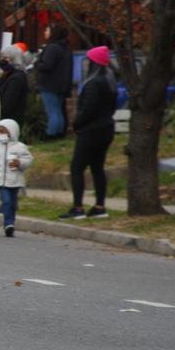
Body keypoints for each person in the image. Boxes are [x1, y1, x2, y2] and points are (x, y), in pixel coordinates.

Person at [60, 46, 116, 220]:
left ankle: (78, 207)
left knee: (77, 167)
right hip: (107, 128)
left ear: (94, 64)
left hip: (91, 130)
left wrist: (76, 123)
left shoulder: (93, 83)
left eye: (89, 62)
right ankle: (100, 206)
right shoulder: (109, 81)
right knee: (97, 167)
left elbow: (88, 110)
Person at [0, 119, 33, 237]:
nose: (1, 134)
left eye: (3, 131)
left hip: (15, 181)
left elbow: (28, 159)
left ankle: (11, 221)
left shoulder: (20, 147)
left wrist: (19, 163)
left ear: (12, 132)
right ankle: (8, 223)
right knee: (7, 201)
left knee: (13, 204)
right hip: (2, 182)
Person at [33, 24, 73, 139]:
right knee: (58, 110)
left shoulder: (52, 47)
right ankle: (59, 133)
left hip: (49, 84)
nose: (45, 32)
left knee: (52, 111)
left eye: (47, 30)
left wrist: (37, 63)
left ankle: (51, 134)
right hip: (61, 84)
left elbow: (47, 65)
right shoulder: (65, 47)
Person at [0, 44, 29, 128]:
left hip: (9, 121)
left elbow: (8, 103)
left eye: (5, 58)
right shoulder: (7, 75)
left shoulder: (16, 78)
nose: (2, 61)